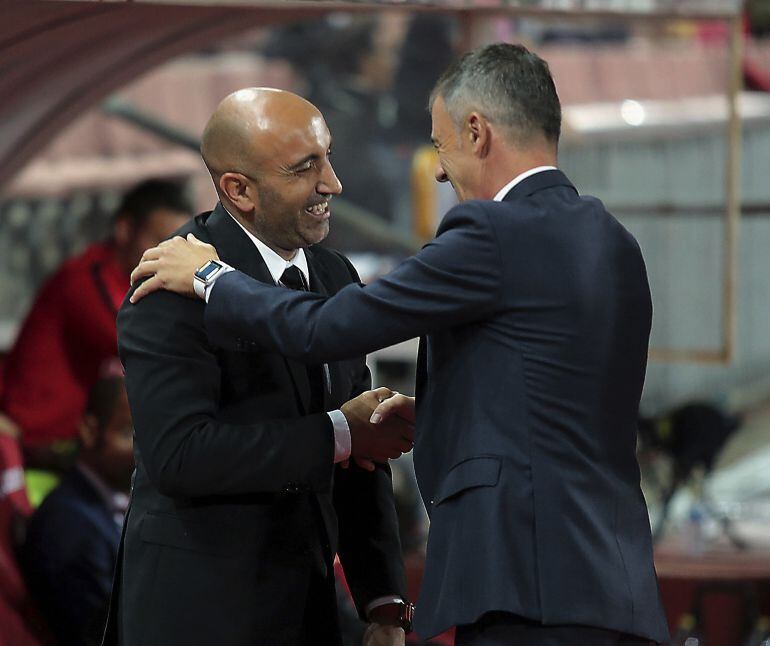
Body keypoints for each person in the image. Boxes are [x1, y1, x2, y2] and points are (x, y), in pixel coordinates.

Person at [130, 44, 670, 646]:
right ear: (239, 189)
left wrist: (210, 279)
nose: (438, 171)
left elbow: (322, 329)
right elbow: (552, 397)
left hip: (528, 581)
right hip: (613, 582)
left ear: (476, 132)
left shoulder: (491, 231)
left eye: (438, 146)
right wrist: (431, 422)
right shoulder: (611, 238)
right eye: (305, 166)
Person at [108, 88, 413, 646]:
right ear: (238, 190)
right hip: (201, 615)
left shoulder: (335, 273)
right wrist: (339, 432)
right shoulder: (167, 285)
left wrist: (383, 600)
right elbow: (182, 455)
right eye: (305, 168)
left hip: (310, 606)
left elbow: (364, 456)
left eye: (328, 156)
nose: (333, 184)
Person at [0, 180, 191, 469]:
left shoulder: (142, 288)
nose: (169, 257)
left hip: (73, 451)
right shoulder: (84, 282)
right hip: (33, 455)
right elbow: (153, 349)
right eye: (159, 242)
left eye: (178, 247)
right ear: (125, 230)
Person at [21, 365, 133, 646]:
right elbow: (102, 635)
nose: (142, 450)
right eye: (129, 432)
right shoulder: (69, 526)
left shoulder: (106, 506)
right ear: (89, 430)